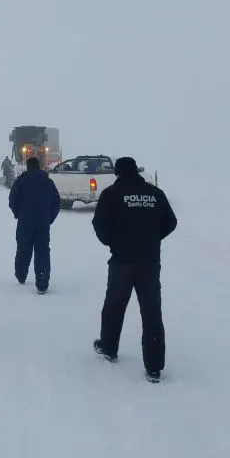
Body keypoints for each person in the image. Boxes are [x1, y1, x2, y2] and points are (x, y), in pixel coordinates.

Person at [90, 156, 177, 382]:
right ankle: (154, 367)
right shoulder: (155, 194)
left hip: (122, 262)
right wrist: (152, 238)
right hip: (149, 263)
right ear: (136, 171)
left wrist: (113, 241)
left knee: (114, 307)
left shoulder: (111, 194)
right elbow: (170, 222)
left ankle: (109, 347)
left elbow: (99, 224)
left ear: (117, 172)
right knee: (152, 313)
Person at [8, 156, 61, 293]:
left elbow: (12, 199)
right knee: (42, 251)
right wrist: (49, 218)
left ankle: (21, 275)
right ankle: (42, 282)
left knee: (23, 249)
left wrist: (18, 214)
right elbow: (57, 202)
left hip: (24, 222)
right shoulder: (48, 182)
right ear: (39, 166)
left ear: (27, 167)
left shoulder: (20, 181)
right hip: (42, 223)